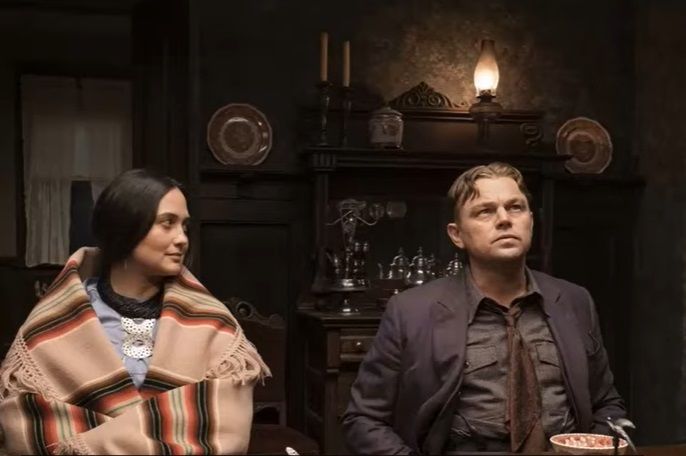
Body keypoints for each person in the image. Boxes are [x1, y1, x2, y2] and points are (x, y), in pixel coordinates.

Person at [342, 162, 626, 454]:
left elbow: (607, 405)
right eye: (485, 211)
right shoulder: (410, 311)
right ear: (457, 235)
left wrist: (595, 449)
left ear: (530, 221)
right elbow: (363, 420)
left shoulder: (575, 301)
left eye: (515, 207)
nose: (504, 219)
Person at [0, 169, 269, 455]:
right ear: (125, 227)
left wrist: (100, 441)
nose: (182, 239)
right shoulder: (58, 320)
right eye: (167, 223)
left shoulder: (211, 322)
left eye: (184, 226)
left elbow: (225, 424)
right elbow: (27, 422)